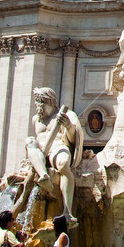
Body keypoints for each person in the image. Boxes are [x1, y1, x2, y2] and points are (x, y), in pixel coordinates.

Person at [25, 87, 84, 224]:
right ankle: (44, 176)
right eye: (38, 103)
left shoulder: (67, 114)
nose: (39, 107)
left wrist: (69, 126)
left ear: (51, 102)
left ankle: (67, 211)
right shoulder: (36, 119)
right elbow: (37, 138)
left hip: (58, 147)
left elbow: (75, 140)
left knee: (64, 164)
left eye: (42, 103)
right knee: (30, 141)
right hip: (40, 151)